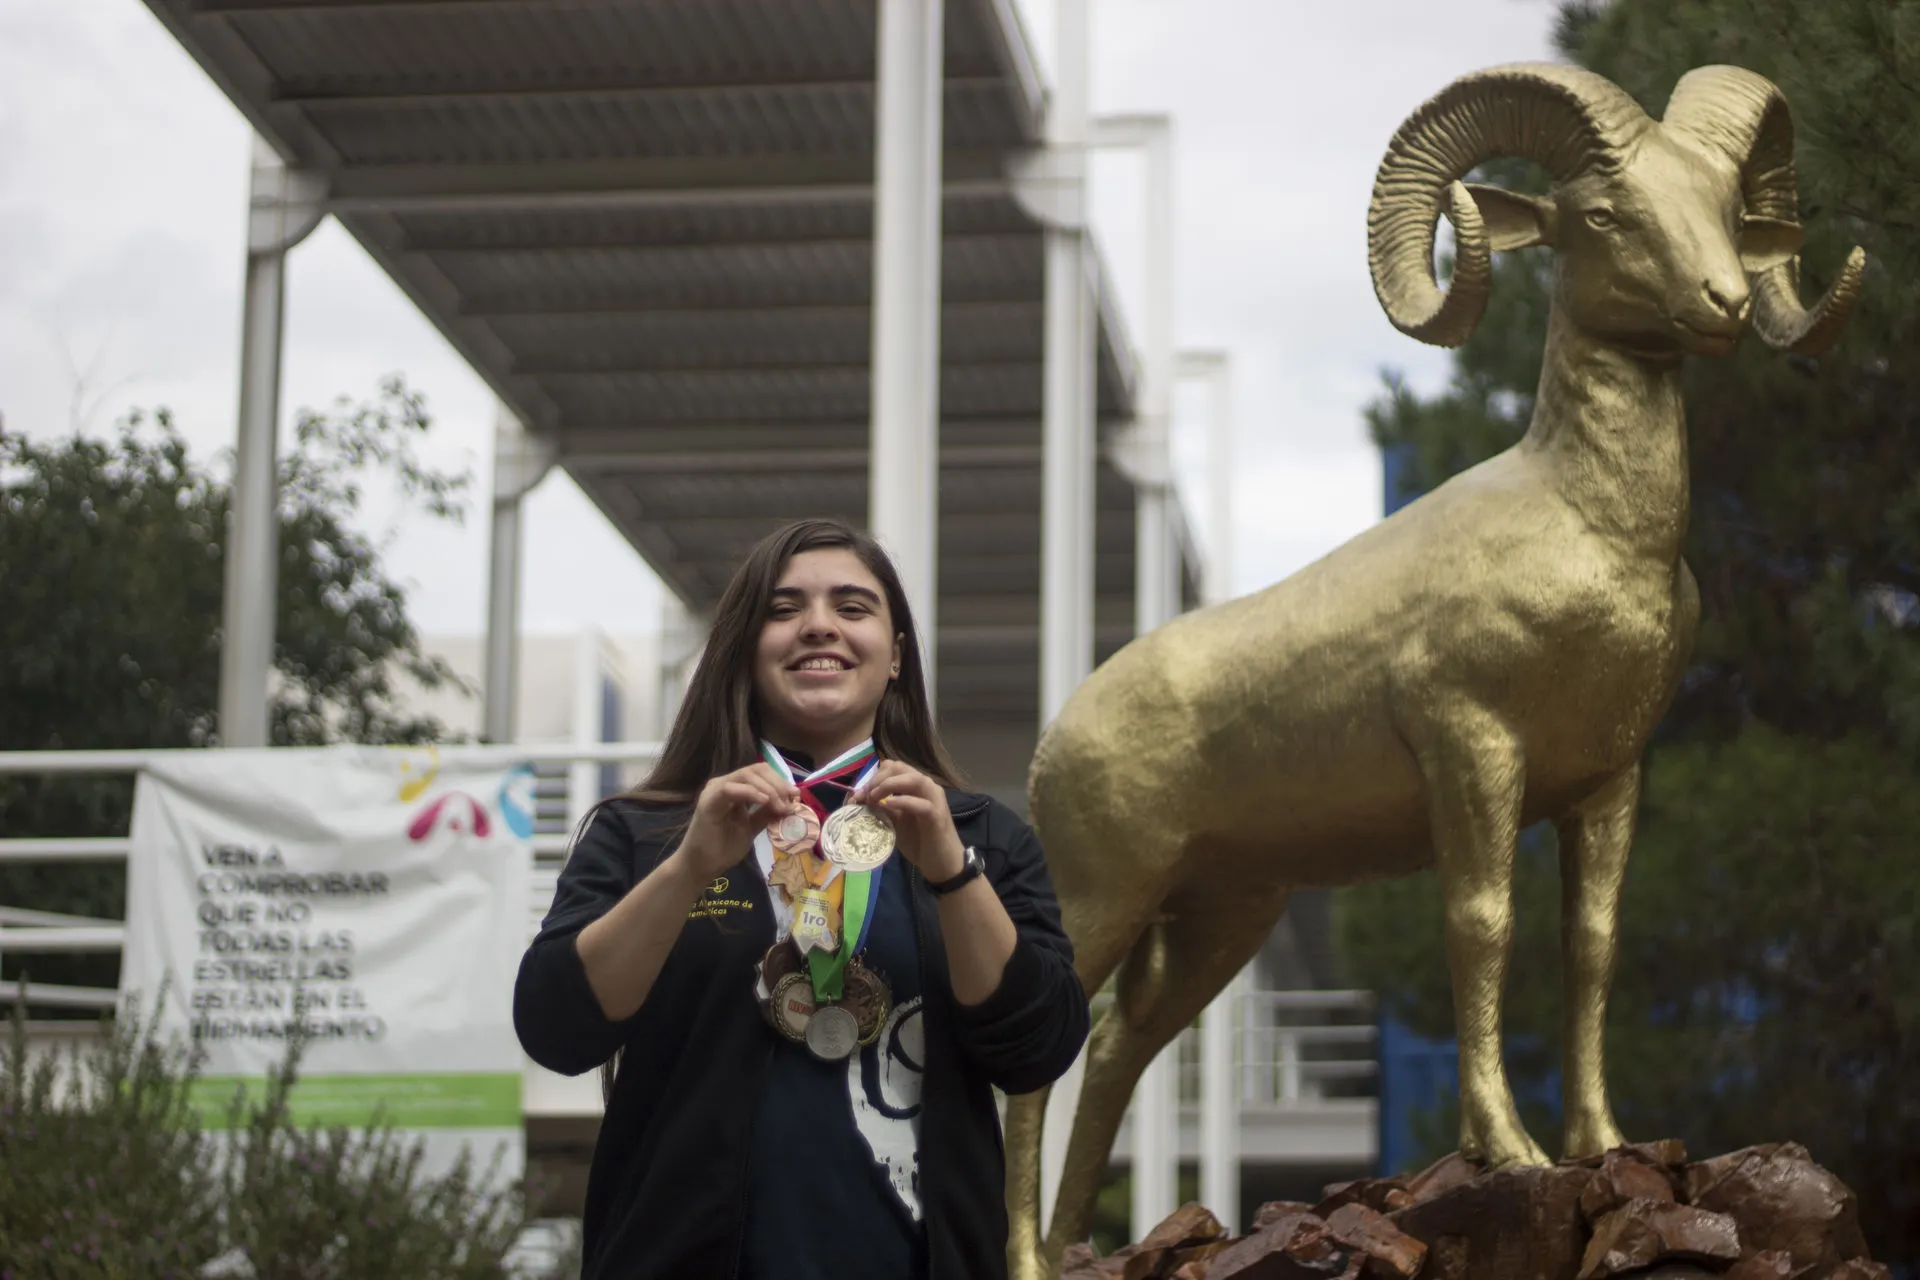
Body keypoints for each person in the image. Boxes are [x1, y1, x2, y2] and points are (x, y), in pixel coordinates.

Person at [514, 517, 1090, 1280]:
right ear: (745, 651)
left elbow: (1038, 1049)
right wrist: (689, 866)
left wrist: (952, 872)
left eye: (853, 608)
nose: (820, 626)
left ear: (896, 655)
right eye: (784, 610)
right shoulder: (646, 834)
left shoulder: (980, 836)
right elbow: (557, 1028)